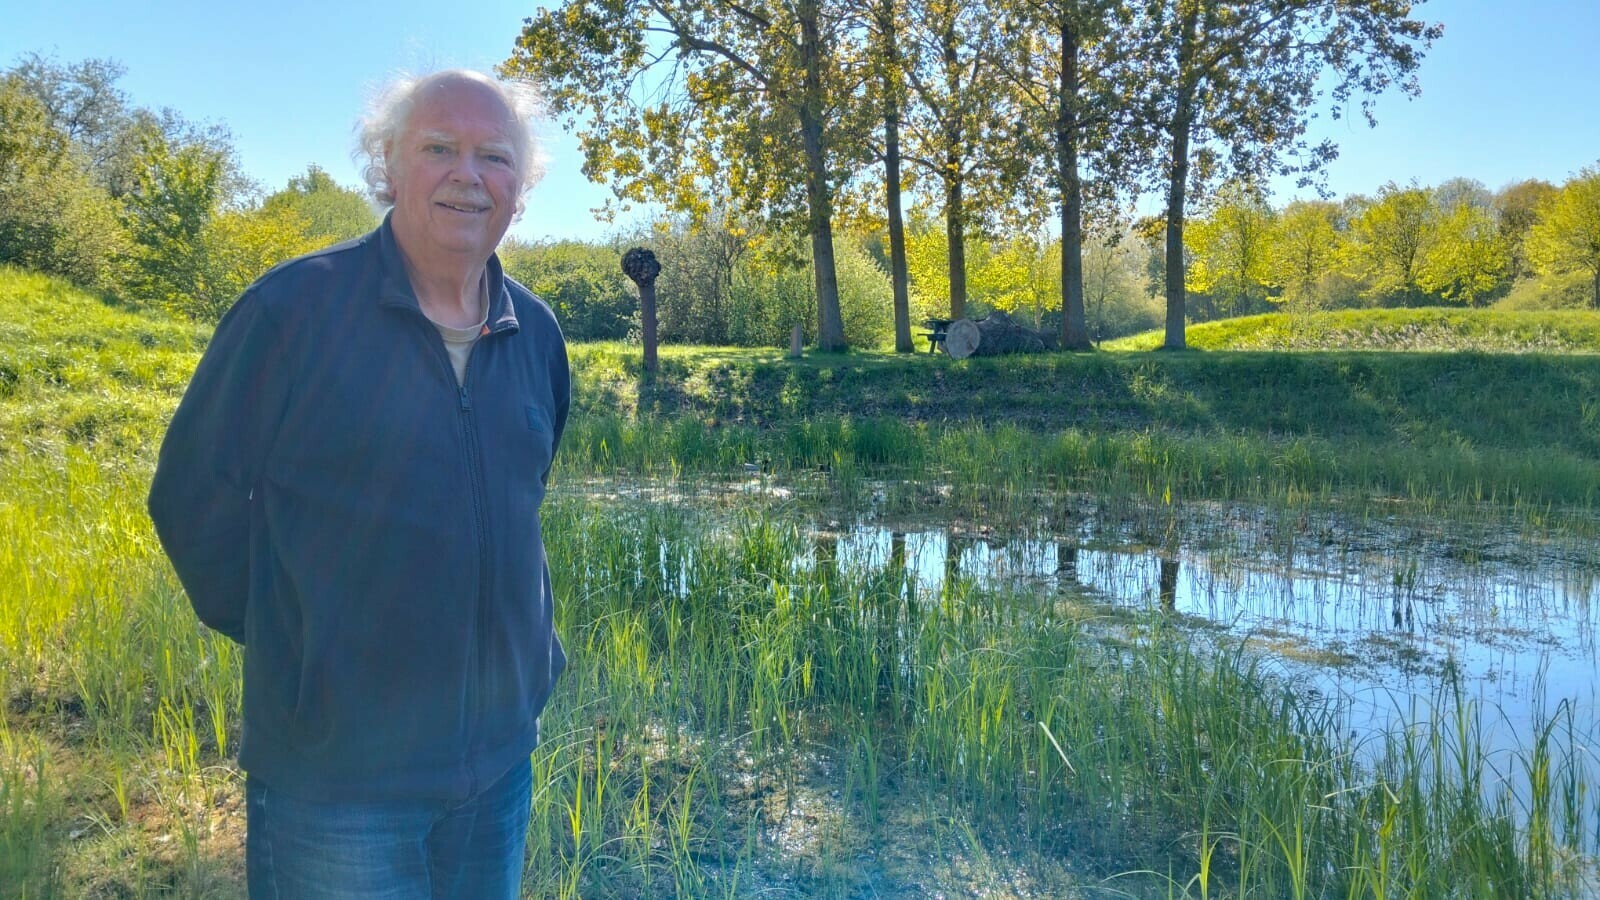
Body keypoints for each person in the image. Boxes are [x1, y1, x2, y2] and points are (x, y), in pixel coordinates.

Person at [148, 69, 569, 898]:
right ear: (387, 166)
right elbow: (192, 499)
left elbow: (520, 503)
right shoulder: (293, 311)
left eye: (494, 156)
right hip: (335, 781)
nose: (468, 174)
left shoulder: (537, 333)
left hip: (496, 767)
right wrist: (307, 642)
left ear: (521, 186)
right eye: (438, 149)